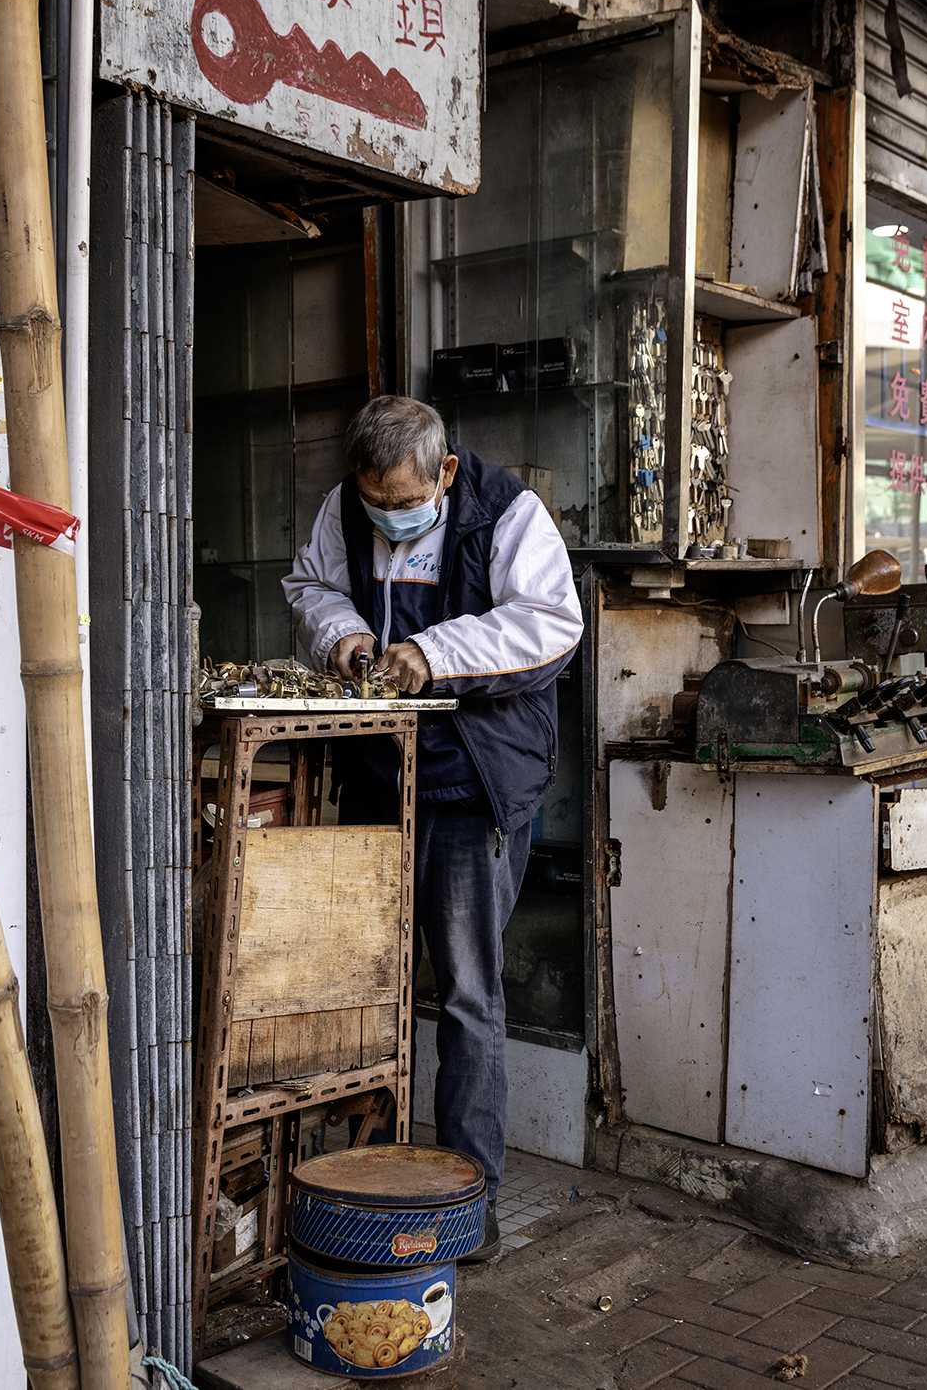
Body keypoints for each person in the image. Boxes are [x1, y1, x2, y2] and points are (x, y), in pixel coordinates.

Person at [282, 397, 583, 1260]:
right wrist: (342, 636)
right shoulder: (347, 507)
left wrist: (435, 653)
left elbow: (553, 625)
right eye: (374, 498)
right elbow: (312, 586)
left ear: (445, 473)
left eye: (404, 500)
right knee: (372, 986)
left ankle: (468, 1199)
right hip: (382, 772)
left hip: (473, 779)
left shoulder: (507, 513)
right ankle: (373, 1186)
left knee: (466, 994)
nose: (387, 512)